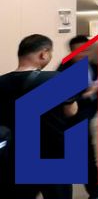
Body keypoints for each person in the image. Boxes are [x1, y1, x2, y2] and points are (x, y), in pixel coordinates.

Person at [0, 34, 78, 199]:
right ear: (43, 53)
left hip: (15, 157)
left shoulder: (1, 82)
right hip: (52, 156)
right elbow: (71, 111)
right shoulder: (55, 79)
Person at [58, 36, 98, 199]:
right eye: (79, 51)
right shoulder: (63, 71)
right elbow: (65, 104)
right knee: (87, 160)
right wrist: (89, 93)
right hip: (78, 120)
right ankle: (96, 191)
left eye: (86, 50)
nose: (84, 54)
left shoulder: (95, 67)